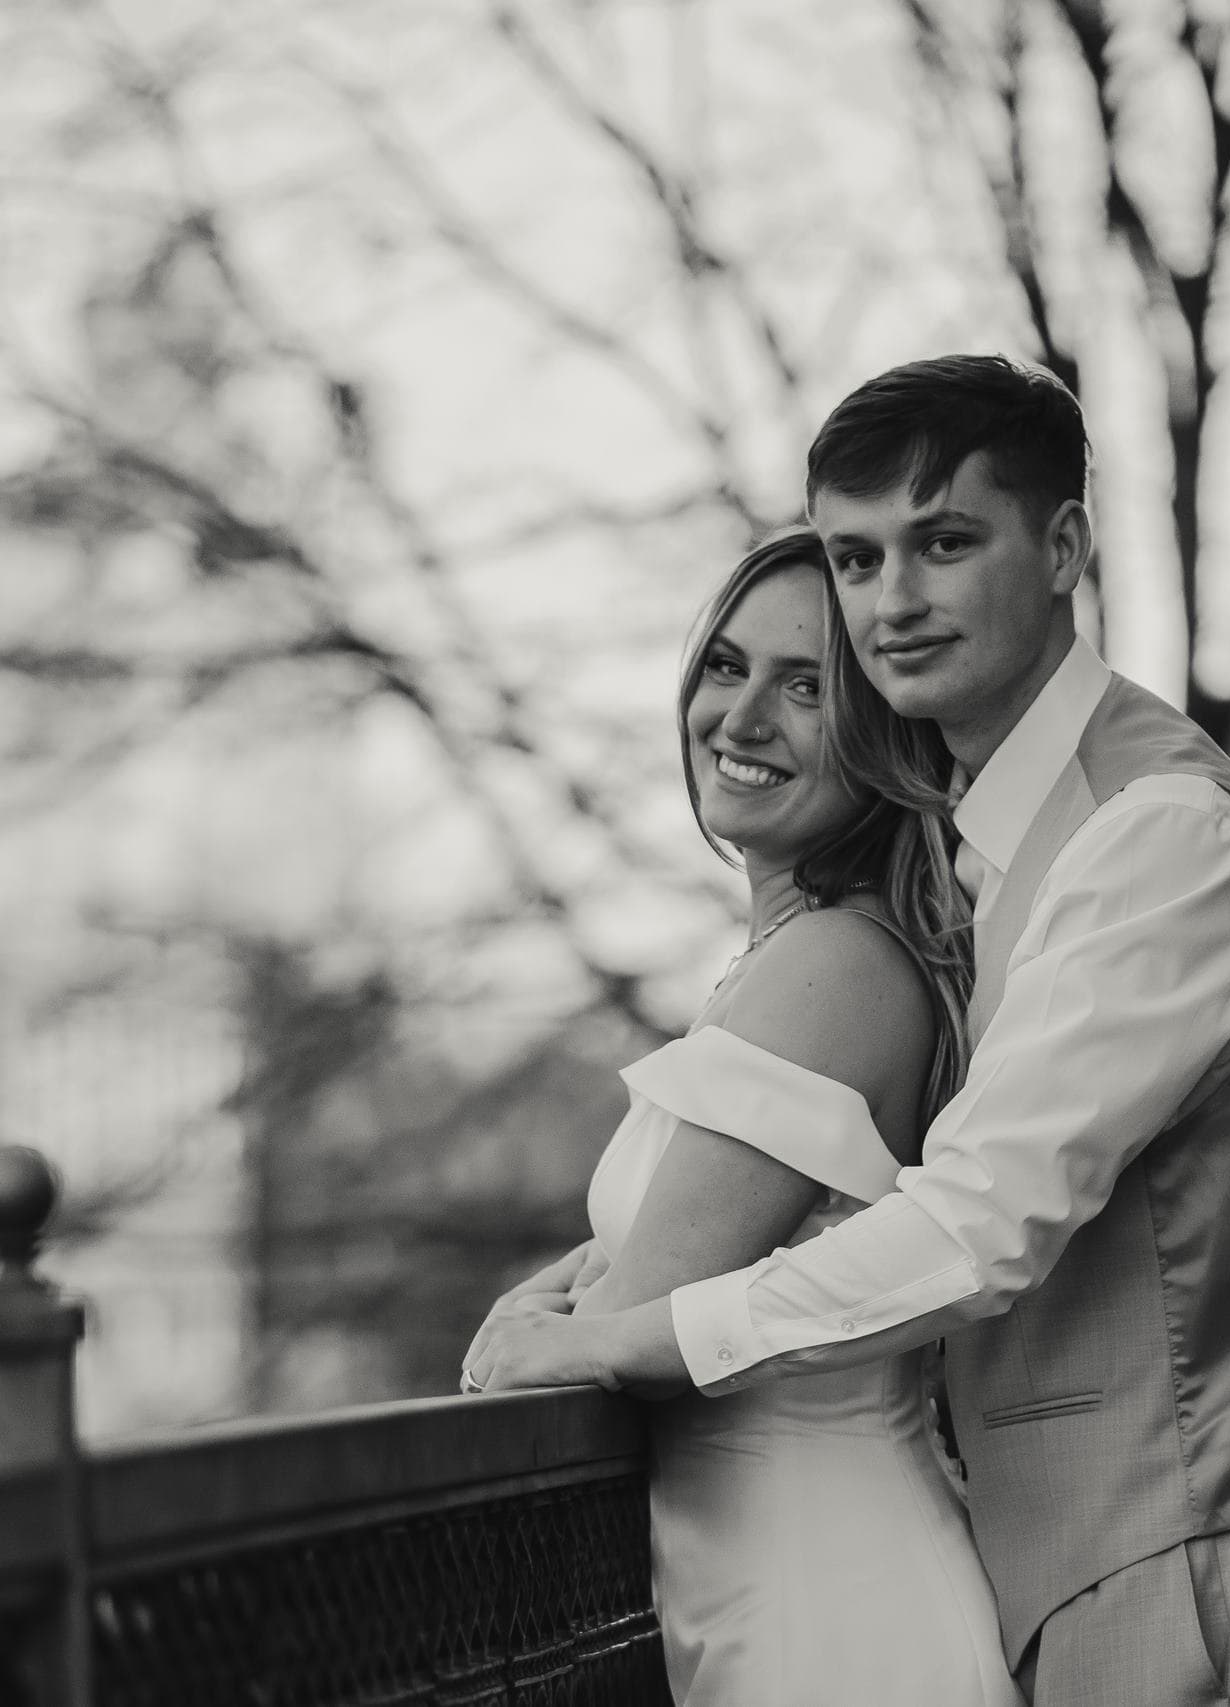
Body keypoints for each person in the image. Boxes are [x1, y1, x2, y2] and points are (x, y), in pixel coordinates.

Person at [467, 355, 1230, 1707]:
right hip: (1078, 1560)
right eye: (857, 559)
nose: (892, 600)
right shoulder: (977, 854)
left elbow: (979, 1218)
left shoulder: (1158, 830)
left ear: (1066, 547)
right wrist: (593, 1275)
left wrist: (635, 1333)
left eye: (946, 542)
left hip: (1214, 1544)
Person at [466, 530, 1019, 1706]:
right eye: (725, 667)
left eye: (807, 686)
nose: (742, 716)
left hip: (830, 1614)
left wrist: (544, 1320)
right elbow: (649, 1260)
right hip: (763, 1592)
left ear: (886, 732)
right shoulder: (796, 960)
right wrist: (563, 1292)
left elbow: (639, 1325)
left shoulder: (833, 968)